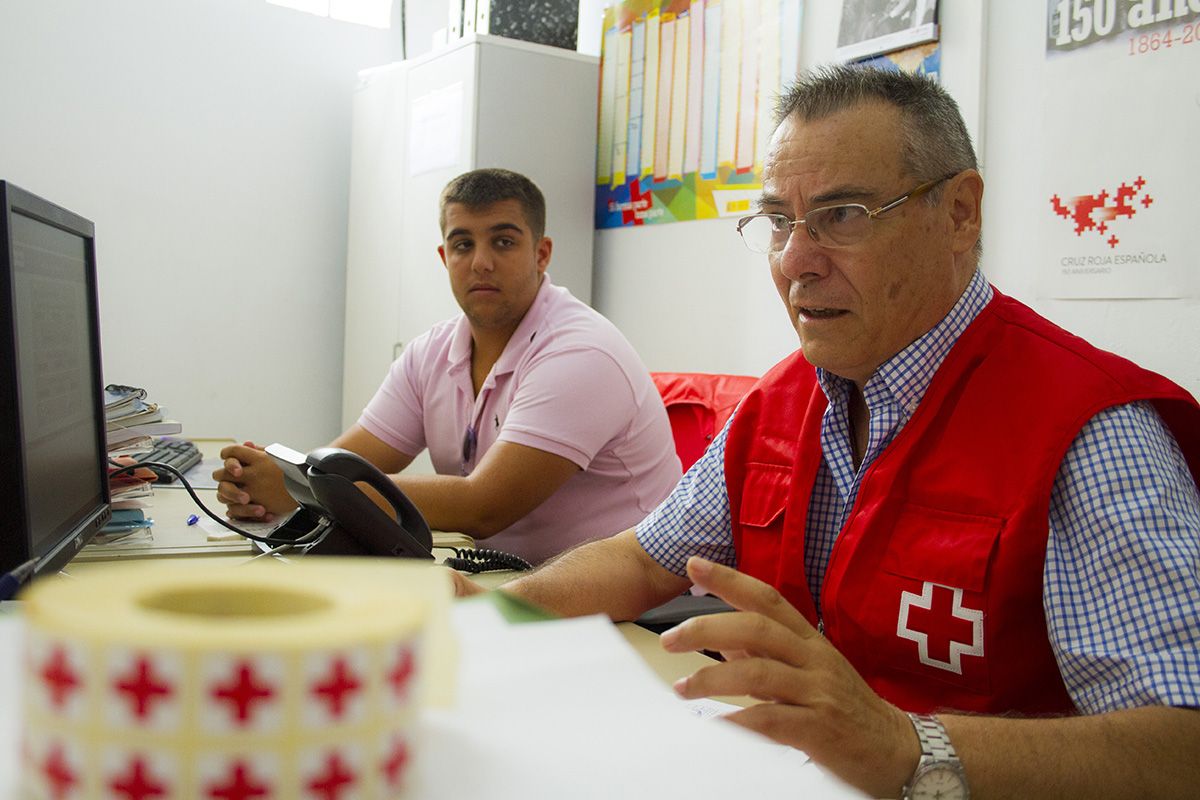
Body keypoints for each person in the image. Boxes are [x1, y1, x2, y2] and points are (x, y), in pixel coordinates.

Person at [455, 67, 1200, 798]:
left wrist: (910, 747)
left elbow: (1183, 746)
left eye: (844, 216)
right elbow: (642, 561)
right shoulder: (784, 400)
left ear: (961, 213)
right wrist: (489, 614)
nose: (793, 262)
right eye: (779, 221)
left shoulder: (1090, 432)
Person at [214, 168, 681, 563]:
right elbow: (346, 465)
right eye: (462, 245)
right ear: (445, 257)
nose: (480, 263)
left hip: (635, 602)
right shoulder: (430, 353)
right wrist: (266, 482)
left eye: (503, 241)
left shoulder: (581, 353)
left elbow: (484, 506)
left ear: (541, 254)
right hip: (517, 581)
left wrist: (301, 491)